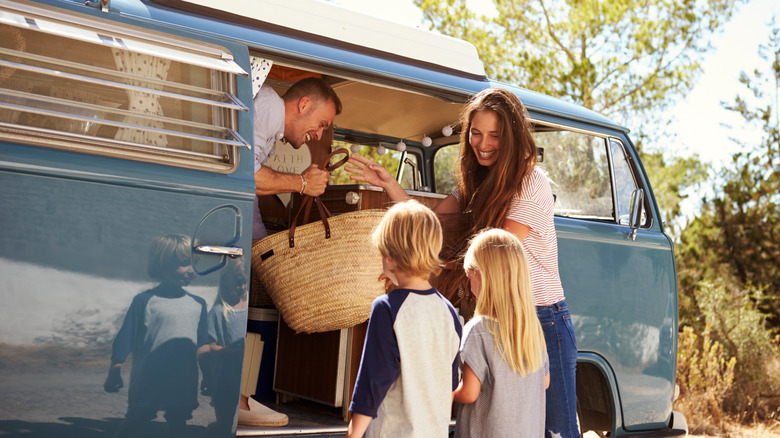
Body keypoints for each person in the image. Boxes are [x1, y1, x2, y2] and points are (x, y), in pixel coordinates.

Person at [346, 87, 580, 438]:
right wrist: (391, 188)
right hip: (496, 318)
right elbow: (431, 225)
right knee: (492, 423)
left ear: (513, 138)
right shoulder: (475, 182)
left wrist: (423, 271)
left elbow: (494, 253)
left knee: (556, 431)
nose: (482, 144)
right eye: (475, 133)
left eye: (494, 136)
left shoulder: (532, 184)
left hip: (539, 319)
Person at [346, 200, 462, 438]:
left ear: (389, 257)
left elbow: (373, 381)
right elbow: (449, 385)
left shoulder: (387, 308)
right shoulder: (449, 312)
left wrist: (353, 434)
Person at [104, 234, 209, 438]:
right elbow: (126, 337)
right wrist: (115, 368)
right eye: (185, 264)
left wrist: (208, 375)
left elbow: (202, 343)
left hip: (183, 379)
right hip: (148, 378)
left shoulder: (199, 304)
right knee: (136, 420)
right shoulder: (144, 301)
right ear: (163, 264)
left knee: (178, 423)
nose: (191, 270)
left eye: (194, 264)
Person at [453, 228, 549, 437]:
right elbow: (545, 381)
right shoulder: (532, 330)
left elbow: (469, 393)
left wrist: (446, 393)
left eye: (470, 276)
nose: (470, 284)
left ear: (481, 276)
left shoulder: (478, 330)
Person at [252, 76, 343, 240]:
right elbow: (244, 176)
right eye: (321, 125)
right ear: (304, 105)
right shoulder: (268, 107)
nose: (319, 136)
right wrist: (303, 183)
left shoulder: (272, 128)